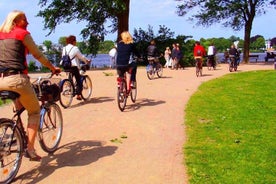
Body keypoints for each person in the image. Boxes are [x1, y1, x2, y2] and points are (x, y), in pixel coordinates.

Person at [0, 10, 60, 161]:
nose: (27, 22)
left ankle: (20, 136)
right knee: (34, 111)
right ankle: (30, 149)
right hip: (17, 79)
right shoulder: (22, 34)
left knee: (19, 107)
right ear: (15, 21)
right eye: (24, 19)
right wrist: (53, 68)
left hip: (1, 80)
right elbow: (38, 55)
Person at [61, 35, 91, 100]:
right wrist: (87, 61)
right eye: (75, 40)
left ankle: (69, 86)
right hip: (73, 67)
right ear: (73, 41)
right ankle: (78, 95)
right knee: (79, 80)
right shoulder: (75, 48)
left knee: (70, 77)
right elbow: (81, 57)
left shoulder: (64, 48)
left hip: (65, 66)